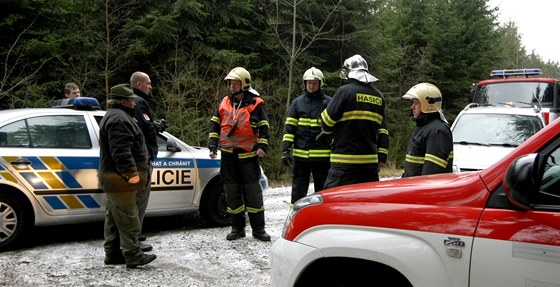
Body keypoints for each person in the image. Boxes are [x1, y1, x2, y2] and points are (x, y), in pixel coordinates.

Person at [208, 67, 271, 241]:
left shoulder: (256, 103)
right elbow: (214, 125)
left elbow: (265, 129)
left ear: (244, 83)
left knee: (253, 195)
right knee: (231, 194)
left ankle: (258, 229)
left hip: (248, 158)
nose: (232, 86)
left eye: (235, 82)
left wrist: (262, 147)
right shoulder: (224, 102)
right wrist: (212, 145)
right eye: (230, 82)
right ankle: (237, 228)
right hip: (228, 157)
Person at [99, 83, 156, 268]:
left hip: (115, 180)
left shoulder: (117, 116)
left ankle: (113, 254)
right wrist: (131, 175)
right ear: (123, 101)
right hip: (120, 181)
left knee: (115, 219)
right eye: (131, 99)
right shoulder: (119, 120)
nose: (134, 102)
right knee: (128, 218)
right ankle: (134, 256)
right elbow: (121, 153)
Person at [320, 54, 389, 189]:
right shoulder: (379, 97)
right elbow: (383, 130)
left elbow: (326, 123)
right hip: (369, 165)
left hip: (344, 164)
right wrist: (382, 156)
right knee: (366, 205)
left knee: (333, 202)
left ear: (349, 73)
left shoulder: (344, 92)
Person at [282, 67, 332, 205]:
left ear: (320, 84)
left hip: (322, 157)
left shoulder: (329, 103)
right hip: (301, 156)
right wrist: (285, 150)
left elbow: (335, 129)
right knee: (298, 190)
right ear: (304, 84)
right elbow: (289, 128)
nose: (311, 85)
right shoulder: (297, 103)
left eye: (314, 83)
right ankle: (295, 217)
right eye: (309, 83)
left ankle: (322, 218)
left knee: (323, 191)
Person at [130, 71, 167, 251]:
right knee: (139, 200)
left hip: (137, 157)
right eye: (148, 83)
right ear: (138, 84)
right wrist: (157, 127)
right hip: (141, 158)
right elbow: (145, 128)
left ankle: (135, 233)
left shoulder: (130, 102)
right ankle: (134, 237)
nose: (150, 87)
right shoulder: (138, 102)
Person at [401, 83, 453, 177]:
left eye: (416, 103)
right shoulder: (424, 127)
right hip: (412, 187)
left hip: (422, 189)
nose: (412, 107)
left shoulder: (438, 132)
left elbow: (432, 172)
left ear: (428, 105)